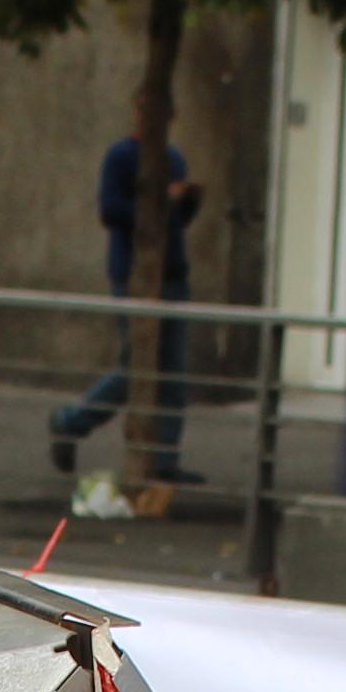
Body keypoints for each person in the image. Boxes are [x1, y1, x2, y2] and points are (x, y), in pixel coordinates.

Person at [48, 127, 201, 482]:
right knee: (137, 364)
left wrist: (187, 200)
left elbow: (177, 221)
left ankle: (164, 460)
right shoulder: (121, 156)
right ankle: (72, 421)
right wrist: (162, 199)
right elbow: (112, 210)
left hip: (172, 274)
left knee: (173, 371)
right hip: (134, 275)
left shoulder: (174, 157)